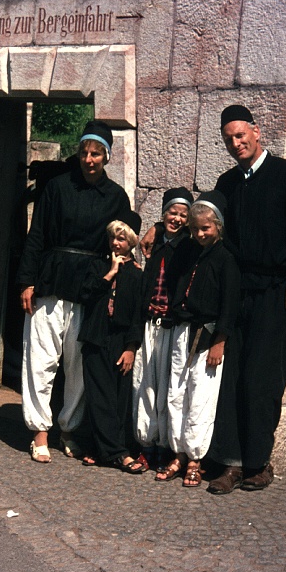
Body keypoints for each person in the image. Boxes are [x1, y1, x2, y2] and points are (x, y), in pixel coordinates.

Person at [205, 104, 286, 492]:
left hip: (275, 295)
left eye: (240, 135)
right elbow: (205, 222)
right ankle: (231, 464)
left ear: (256, 132)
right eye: (229, 139)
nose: (236, 143)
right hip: (238, 294)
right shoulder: (227, 183)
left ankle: (259, 462)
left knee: (263, 380)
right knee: (232, 378)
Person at [17, 120, 132, 463]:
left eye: (96, 153)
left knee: (78, 364)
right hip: (51, 281)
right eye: (84, 152)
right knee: (41, 359)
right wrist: (27, 281)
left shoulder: (116, 197)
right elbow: (36, 234)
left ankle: (68, 428)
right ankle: (39, 432)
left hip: (90, 287)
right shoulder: (56, 188)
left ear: (107, 156)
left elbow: (124, 240)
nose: (89, 159)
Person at [155, 191, 241, 487]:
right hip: (182, 330)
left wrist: (220, 339)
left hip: (207, 337)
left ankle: (195, 457)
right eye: (195, 228)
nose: (200, 233)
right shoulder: (187, 250)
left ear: (218, 226)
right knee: (176, 393)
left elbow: (230, 303)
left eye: (206, 228)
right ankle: (177, 453)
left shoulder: (226, 259)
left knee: (200, 397)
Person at [78, 213, 147, 473]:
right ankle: (119, 454)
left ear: (130, 242)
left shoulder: (137, 274)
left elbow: (138, 315)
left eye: (121, 239)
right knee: (99, 396)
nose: (115, 243)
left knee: (118, 397)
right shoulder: (98, 266)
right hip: (96, 336)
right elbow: (86, 294)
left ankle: (99, 449)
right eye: (112, 238)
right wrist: (110, 273)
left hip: (120, 340)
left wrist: (131, 348)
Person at [132, 187, 194, 470]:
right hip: (149, 322)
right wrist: (155, 229)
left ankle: (167, 447)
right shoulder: (154, 243)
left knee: (172, 387)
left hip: (174, 325)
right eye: (172, 212)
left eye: (183, 214)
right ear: (163, 213)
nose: (177, 218)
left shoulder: (190, 247)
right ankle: (146, 443)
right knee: (145, 385)